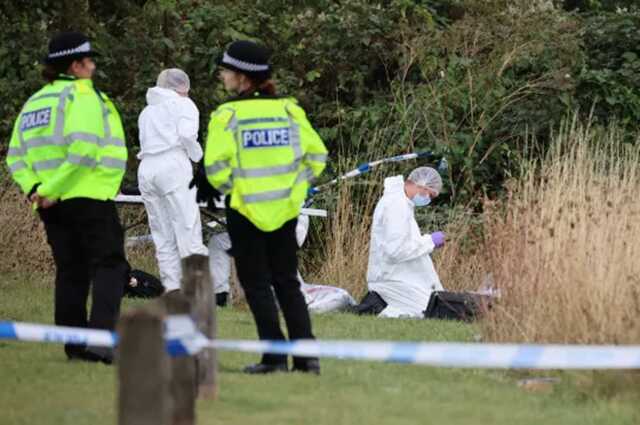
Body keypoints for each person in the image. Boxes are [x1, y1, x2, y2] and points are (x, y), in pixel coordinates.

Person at [198, 40, 328, 374]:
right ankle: (306, 358)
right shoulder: (289, 111)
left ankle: (273, 358)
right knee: (287, 282)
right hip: (285, 210)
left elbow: (214, 166)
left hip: (245, 212)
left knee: (256, 285)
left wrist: (234, 192)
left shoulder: (227, 115)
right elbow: (317, 156)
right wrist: (295, 190)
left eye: (227, 70)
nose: (223, 76)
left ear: (242, 77)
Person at [5, 32, 129, 363]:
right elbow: (85, 149)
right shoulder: (81, 95)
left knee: (71, 271)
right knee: (111, 267)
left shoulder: (36, 102)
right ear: (75, 65)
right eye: (89, 61)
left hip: (51, 204)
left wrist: (38, 190)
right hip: (87, 193)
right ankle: (101, 343)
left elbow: (15, 156)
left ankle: (74, 345)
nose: (93, 67)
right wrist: (53, 189)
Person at [137, 69, 208, 292]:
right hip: (173, 165)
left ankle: (172, 287)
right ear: (183, 87)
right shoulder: (184, 105)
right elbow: (187, 135)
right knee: (188, 228)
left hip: (147, 169)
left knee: (162, 232)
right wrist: (197, 155)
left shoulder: (147, 111)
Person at [357, 167, 446, 318]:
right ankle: (374, 307)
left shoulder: (401, 203)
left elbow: (401, 243)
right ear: (422, 186)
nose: (428, 200)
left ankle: (376, 306)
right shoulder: (396, 205)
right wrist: (430, 241)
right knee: (430, 312)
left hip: (396, 276)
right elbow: (396, 251)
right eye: (430, 195)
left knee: (438, 307)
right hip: (390, 279)